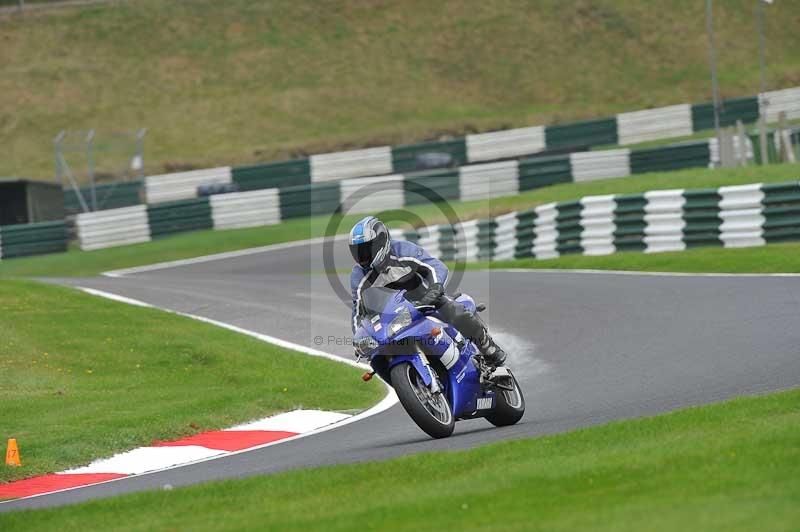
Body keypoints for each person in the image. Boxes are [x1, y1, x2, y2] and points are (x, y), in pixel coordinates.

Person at [348, 215, 506, 366]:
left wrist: (435, 288)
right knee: (379, 355)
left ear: (381, 242)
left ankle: (488, 346)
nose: (363, 256)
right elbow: (357, 312)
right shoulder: (358, 277)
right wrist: (359, 338)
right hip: (393, 318)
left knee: (452, 310)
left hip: (426, 300)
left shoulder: (403, 250)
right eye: (358, 252)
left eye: (366, 250)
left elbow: (435, 266)